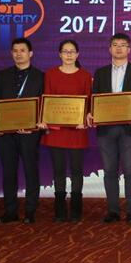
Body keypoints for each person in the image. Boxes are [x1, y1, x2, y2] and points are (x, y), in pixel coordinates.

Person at [89, 33, 131, 223]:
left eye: (123, 45)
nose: (119, 48)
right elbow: (95, 98)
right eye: (115, 45)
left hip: (129, 129)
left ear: (129, 49)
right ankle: (113, 210)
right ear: (110, 49)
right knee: (109, 171)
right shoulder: (100, 73)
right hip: (106, 129)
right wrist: (91, 113)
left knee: (130, 170)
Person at [0, 37, 45, 224]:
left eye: (22, 50)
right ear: (11, 53)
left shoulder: (41, 76)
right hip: (6, 133)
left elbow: (44, 104)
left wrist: (36, 125)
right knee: (8, 172)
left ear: (30, 53)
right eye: (15, 51)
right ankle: (10, 211)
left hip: (30, 133)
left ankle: (30, 211)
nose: (18, 54)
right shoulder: (2, 75)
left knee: (31, 171)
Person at [39, 39, 92, 222]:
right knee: (59, 171)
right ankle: (60, 211)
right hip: (56, 131)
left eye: (72, 51)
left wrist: (85, 118)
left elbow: (89, 102)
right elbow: (47, 99)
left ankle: (76, 211)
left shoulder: (85, 75)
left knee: (77, 171)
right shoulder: (50, 74)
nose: (68, 55)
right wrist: (45, 119)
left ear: (77, 54)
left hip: (77, 131)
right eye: (65, 51)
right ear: (59, 54)